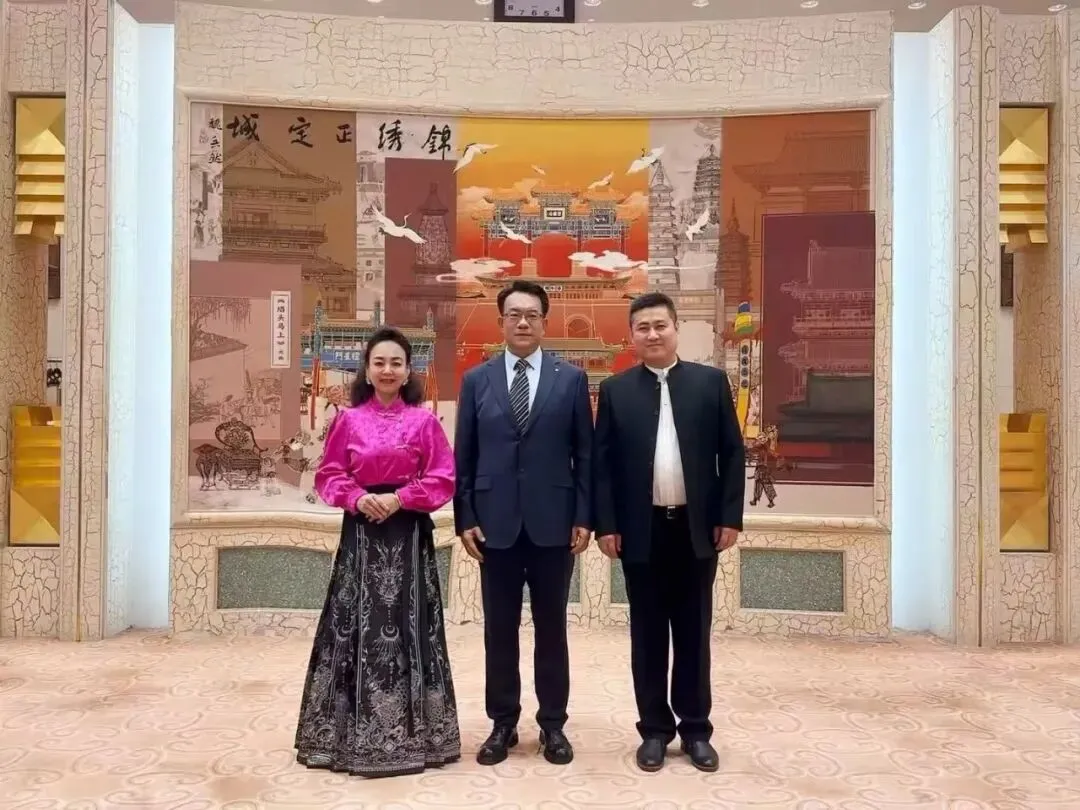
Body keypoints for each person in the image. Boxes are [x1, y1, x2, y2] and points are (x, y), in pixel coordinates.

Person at [294, 326, 461, 778]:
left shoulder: (424, 423)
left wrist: (401, 498)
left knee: (411, 625)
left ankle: (420, 736)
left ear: (408, 371)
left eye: (396, 363)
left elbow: (443, 478)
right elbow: (329, 475)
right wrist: (357, 497)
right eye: (379, 362)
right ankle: (343, 737)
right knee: (352, 626)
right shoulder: (348, 421)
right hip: (361, 534)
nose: (388, 370)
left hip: (408, 534)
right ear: (366, 371)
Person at [593, 292, 745, 774]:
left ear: (675, 328)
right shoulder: (616, 391)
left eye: (660, 325)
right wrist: (607, 525)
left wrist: (729, 516)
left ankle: (696, 730)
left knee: (694, 633)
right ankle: (655, 731)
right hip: (641, 532)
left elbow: (732, 453)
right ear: (632, 336)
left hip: (697, 531)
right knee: (648, 635)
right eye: (643, 327)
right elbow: (603, 467)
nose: (652, 334)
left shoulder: (709, 384)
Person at [454, 279, 593, 766]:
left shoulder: (570, 379)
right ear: (501, 322)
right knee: (500, 630)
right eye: (514, 314)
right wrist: (465, 516)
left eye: (532, 314)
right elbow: (465, 455)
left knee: (552, 629)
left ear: (544, 322)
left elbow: (584, 454)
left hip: (555, 524)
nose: (523, 322)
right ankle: (502, 723)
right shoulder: (477, 380)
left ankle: (553, 724)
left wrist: (583, 514)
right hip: (494, 527)